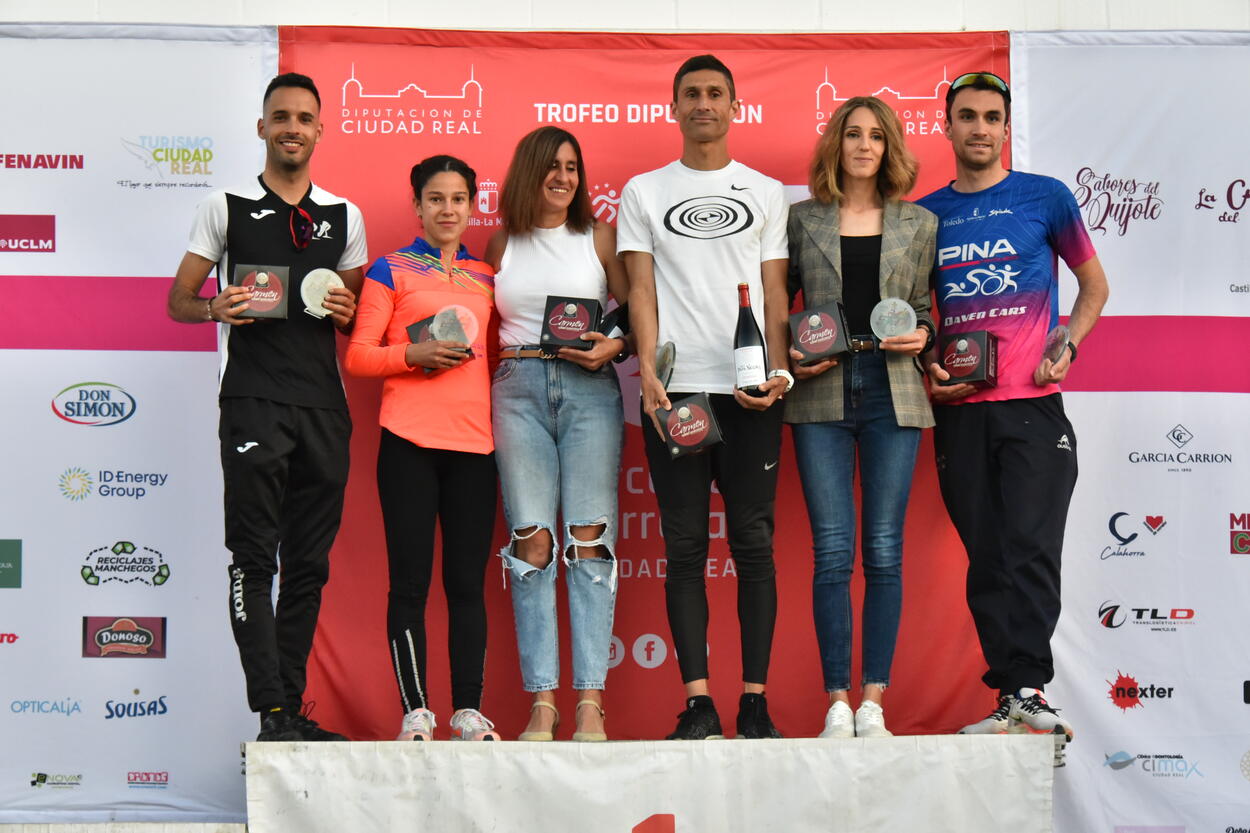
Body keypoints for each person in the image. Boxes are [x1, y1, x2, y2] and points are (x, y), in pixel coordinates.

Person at [166, 72, 365, 742]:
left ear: (319, 128)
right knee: (254, 556)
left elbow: (357, 315)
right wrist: (212, 307)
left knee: (309, 564)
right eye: (280, 116)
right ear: (262, 127)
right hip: (253, 401)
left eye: (304, 118)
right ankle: (271, 708)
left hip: (323, 409)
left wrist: (349, 309)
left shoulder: (345, 215)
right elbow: (179, 301)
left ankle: (291, 708)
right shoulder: (224, 206)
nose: (292, 127)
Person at [917, 72, 1109, 761]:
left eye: (991, 117)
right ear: (946, 125)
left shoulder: (1045, 196)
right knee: (988, 557)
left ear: (1006, 127)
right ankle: (1011, 700)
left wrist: (1069, 343)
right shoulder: (925, 214)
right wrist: (927, 369)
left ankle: (1026, 691)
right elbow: (913, 317)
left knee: (1030, 549)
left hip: (1033, 409)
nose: (978, 128)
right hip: (961, 416)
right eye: (965, 116)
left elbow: (1094, 285)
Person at [619, 55, 792, 740]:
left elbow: (776, 290)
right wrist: (649, 373)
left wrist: (777, 369)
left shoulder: (766, 191)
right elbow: (640, 289)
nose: (703, 104)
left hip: (750, 390)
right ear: (673, 106)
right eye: (691, 94)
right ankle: (698, 703)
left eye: (716, 93)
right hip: (675, 393)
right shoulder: (644, 191)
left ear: (734, 105)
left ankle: (754, 701)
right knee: (685, 546)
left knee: (754, 543)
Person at [785, 96, 937, 739]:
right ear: (836, 144)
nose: (865, 146)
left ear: (890, 146)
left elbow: (928, 311)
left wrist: (923, 336)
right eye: (853, 134)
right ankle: (837, 702)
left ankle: (874, 701)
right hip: (820, 390)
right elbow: (776, 305)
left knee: (883, 551)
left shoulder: (920, 223)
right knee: (831, 553)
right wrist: (787, 355)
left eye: (877, 136)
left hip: (893, 391)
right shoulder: (801, 219)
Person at [344, 155, 501, 742]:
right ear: (417, 205)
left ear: (472, 206)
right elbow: (359, 356)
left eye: (458, 199)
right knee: (409, 583)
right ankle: (417, 711)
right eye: (435, 199)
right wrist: (414, 356)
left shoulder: (488, 276)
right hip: (408, 444)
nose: (447, 210)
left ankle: (467, 710)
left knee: (466, 585)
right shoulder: (389, 270)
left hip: (475, 448)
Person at [484, 126, 630, 742]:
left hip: (591, 393)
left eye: (572, 167)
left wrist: (615, 345)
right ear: (529, 172)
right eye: (551, 166)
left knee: (590, 542)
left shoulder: (599, 238)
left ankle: (590, 702)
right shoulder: (501, 244)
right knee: (531, 544)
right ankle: (543, 702)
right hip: (517, 389)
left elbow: (634, 311)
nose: (563, 177)